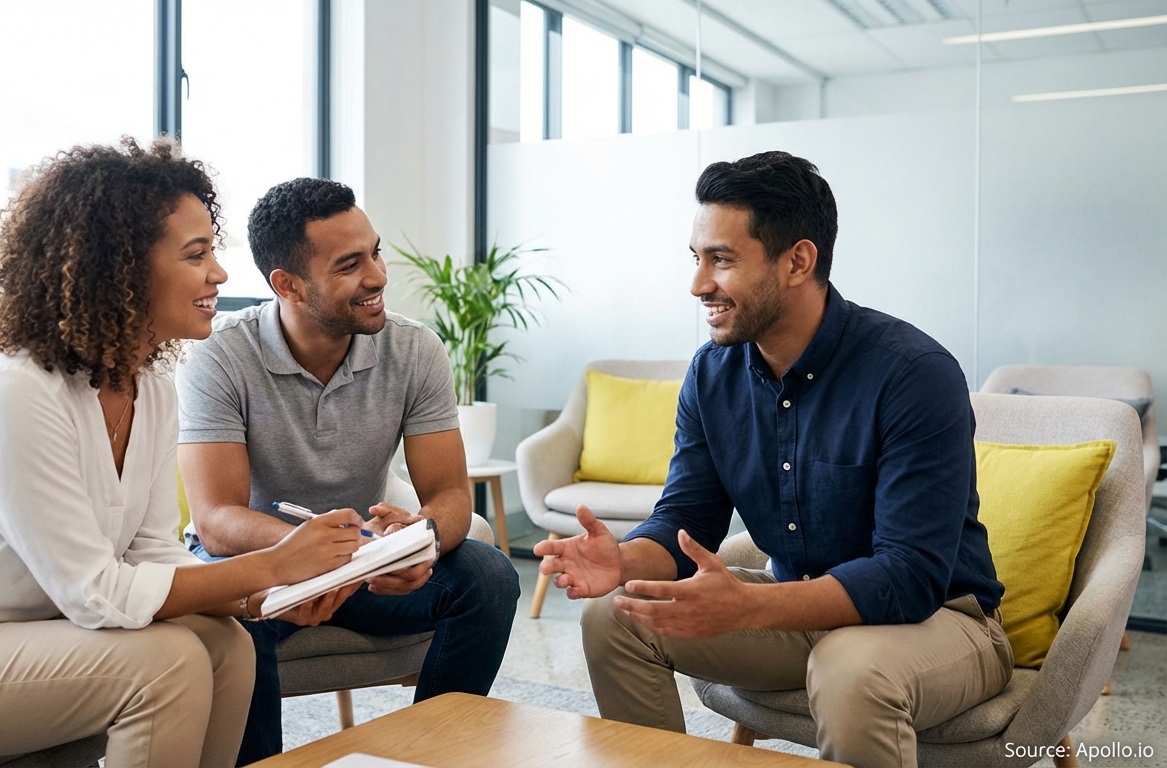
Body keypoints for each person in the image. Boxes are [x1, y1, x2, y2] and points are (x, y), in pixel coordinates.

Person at [0, 139, 365, 768]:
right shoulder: (17, 391)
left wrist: (264, 600)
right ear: (122, 270)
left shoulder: (151, 388)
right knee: (167, 662)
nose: (219, 273)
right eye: (197, 254)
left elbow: (154, 556)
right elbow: (95, 595)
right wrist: (272, 566)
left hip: (19, 635)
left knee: (227, 644)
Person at [535, 151, 1011, 768]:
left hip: (940, 621)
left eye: (722, 260)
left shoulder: (913, 374)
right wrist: (623, 559)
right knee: (615, 617)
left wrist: (751, 605)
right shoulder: (712, 375)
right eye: (697, 258)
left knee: (849, 669)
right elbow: (689, 517)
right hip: (797, 605)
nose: (698, 283)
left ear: (798, 261)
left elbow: (908, 576)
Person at [177, 176, 521, 763]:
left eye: (376, 252)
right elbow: (216, 521)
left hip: (365, 562)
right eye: (349, 265)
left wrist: (420, 541)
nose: (379, 277)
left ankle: (430, 756)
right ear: (286, 284)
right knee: (235, 626)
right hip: (259, 563)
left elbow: (449, 493)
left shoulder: (414, 350)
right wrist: (319, 551)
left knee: (487, 577)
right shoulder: (221, 356)